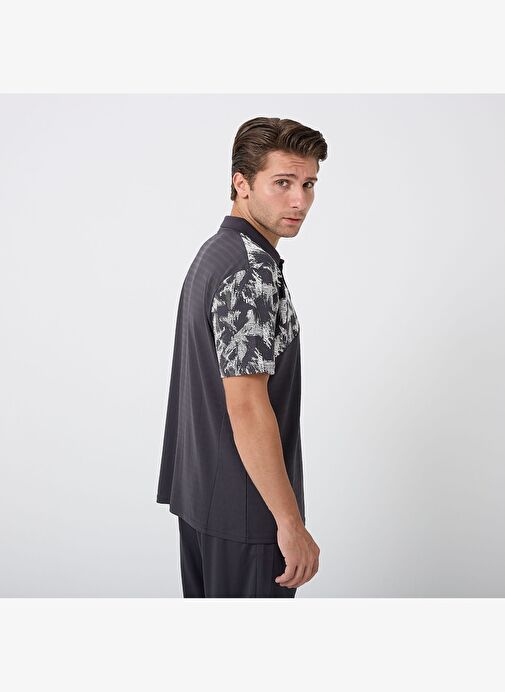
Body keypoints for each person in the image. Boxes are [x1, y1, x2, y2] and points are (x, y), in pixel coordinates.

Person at [156, 116, 327, 597]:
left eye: (309, 184)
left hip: (205, 501)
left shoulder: (217, 252)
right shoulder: (251, 271)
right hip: (248, 515)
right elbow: (247, 404)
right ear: (242, 184)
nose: (299, 201)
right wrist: (290, 523)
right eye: (283, 183)